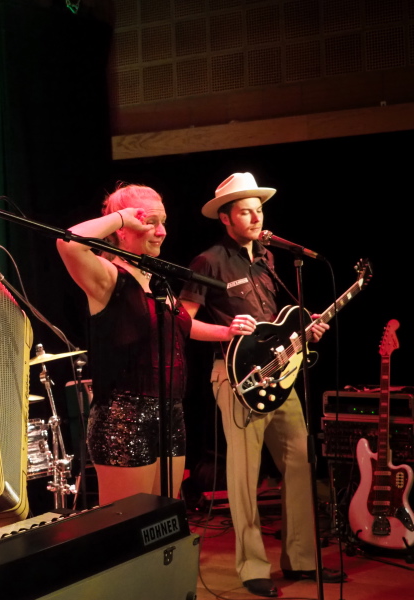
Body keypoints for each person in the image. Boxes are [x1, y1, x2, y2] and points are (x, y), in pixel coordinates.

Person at [179, 172, 345, 597]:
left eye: (259, 210)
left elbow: (274, 326)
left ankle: (301, 560)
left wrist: (304, 332)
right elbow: (182, 321)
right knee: (244, 475)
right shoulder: (208, 261)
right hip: (236, 379)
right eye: (245, 212)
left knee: (300, 463)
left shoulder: (269, 259)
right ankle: (252, 567)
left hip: (279, 376)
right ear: (225, 218)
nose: (255, 218)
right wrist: (225, 331)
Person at [56, 183, 256, 506]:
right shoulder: (108, 277)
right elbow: (68, 242)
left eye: (163, 222)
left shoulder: (155, 280)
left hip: (170, 413)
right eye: (150, 222)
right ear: (122, 229)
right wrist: (122, 217)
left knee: (164, 520)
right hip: (124, 417)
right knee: (129, 524)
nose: (161, 232)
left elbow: (183, 326)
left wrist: (226, 332)